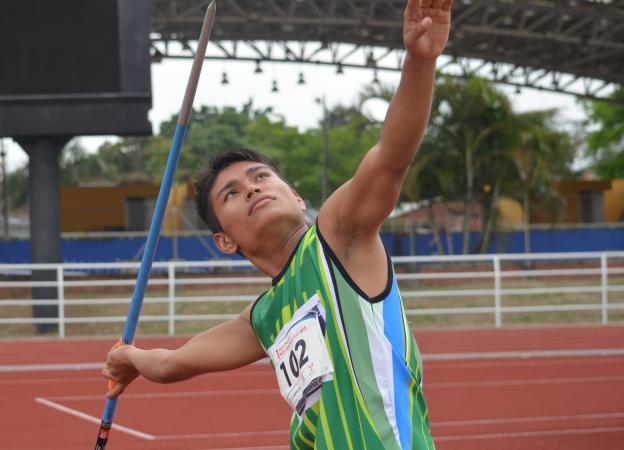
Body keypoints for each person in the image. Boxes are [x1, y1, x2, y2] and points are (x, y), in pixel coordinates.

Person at [103, 1, 453, 448]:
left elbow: (391, 158)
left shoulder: (337, 239)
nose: (250, 188)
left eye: (261, 176)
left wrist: (420, 63)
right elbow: (173, 364)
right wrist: (128, 358)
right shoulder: (265, 317)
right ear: (224, 241)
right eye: (230, 193)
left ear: (297, 197)